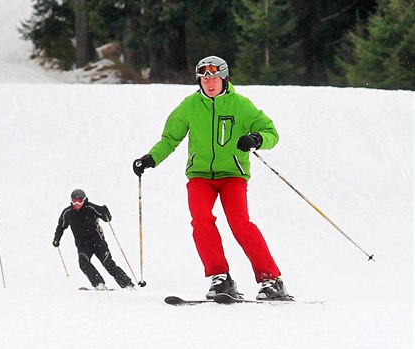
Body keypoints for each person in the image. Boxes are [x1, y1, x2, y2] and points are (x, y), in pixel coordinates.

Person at [132, 56, 292, 301]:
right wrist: (150, 158)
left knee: (240, 224)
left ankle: (272, 279)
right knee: (201, 220)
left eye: (215, 78)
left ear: (225, 79)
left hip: (233, 175)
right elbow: (170, 139)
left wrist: (256, 139)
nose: (209, 83)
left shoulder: (240, 105)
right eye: (204, 79)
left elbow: (271, 132)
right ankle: (221, 279)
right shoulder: (190, 106)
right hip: (200, 176)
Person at [53, 189, 134, 290]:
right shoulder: (67, 213)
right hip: (82, 244)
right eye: (74, 201)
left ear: (84, 200)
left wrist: (106, 212)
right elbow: (61, 226)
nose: (77, 203)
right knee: (83, 263)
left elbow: (107, 218)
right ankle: (99, 284)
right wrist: (57, 239)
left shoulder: (90, 208)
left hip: (97, 241)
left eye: (79, 201)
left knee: (108, 263)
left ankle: (127, 284)